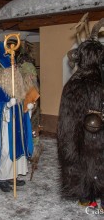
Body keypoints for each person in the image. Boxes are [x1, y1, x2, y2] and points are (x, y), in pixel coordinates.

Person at [57, 20, 104, 210]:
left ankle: (87, 197)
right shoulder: (95, 80)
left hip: (86, 138)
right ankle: (90, 197)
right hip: (91, 137)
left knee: (88, 167)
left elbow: (67, 121)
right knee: (95, 167)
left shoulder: (74, 83)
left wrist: (68, 144)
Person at [0, 41, 33, 193]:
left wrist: (27, 108)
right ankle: (2, 178)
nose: (15, 69)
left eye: (15, 67)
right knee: (7, 150)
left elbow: (22, 103)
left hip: (18, 122)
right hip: (6, 123)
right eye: (12, 67)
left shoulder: (19, 84)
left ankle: (13, 176)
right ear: (6, 71)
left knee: (18, 148)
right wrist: (7, 105)